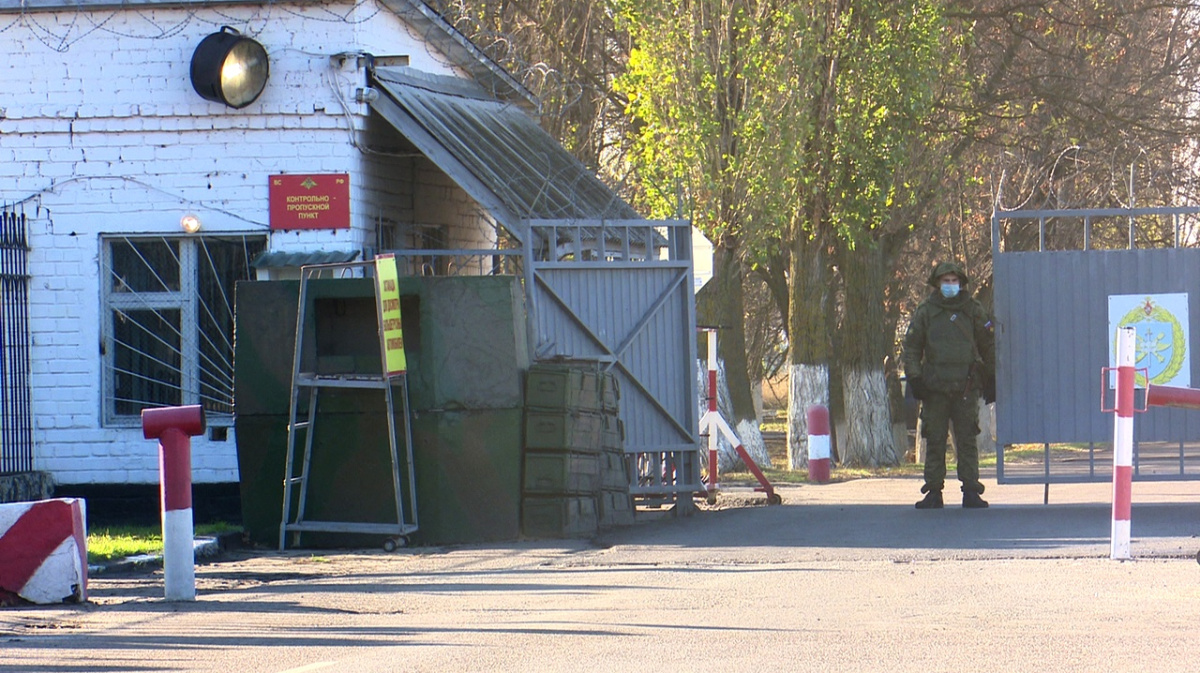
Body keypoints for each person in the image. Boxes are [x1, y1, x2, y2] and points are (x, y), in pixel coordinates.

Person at [902, 261, 996, 509]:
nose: (950, 285)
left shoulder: (973, 309)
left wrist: (992, 377)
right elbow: (911, 347)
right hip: (934, 388)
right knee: (934, 438)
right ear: (937, 284)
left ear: (961, 283)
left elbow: (988, 344)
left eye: (955, 281)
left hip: (966, 386)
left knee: (967, 439)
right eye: (946, 281)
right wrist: (915, 378)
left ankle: (971, 491)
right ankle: (933, 491)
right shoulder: (926, 311)